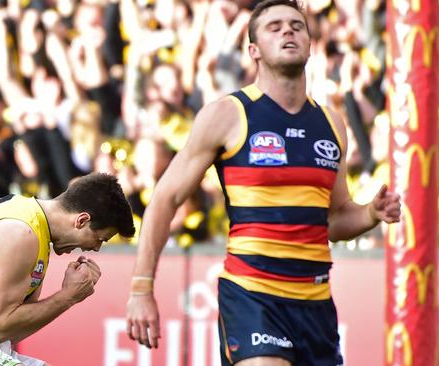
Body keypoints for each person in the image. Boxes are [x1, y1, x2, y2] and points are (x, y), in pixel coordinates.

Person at [125, 1, 401, 365]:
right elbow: (165, 197)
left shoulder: (332, 123)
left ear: (310, 43)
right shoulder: (227, 114)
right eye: (274, 27)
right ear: (253, 51)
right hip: (253, 296)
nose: (288, 31)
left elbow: (333, 221)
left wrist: (370, 213)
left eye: (296, 26)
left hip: (316, 304)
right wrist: (142, 287)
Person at [0, 172, 135, 366]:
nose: (96, 248)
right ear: (81, 220)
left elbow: (14, 330)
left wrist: (68, 297)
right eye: (99, 239)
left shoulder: (31, 221)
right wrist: (68, 296)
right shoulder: (21, 234)